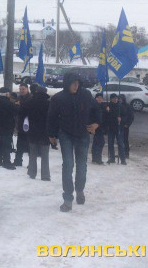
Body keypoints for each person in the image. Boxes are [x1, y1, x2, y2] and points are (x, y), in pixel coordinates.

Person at [47, 72, 99, 212]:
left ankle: (80, 190)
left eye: (78, 83)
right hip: (66, 134)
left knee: (82, 165)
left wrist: (96, 123)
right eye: (73, 83)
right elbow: (51, 117)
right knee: (68, 165)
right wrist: (51, 135)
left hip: (83, 134)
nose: (76, 86)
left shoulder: (86, 95)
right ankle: (68, 198)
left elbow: (96, 110)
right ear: (67, 83)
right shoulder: (58, 98)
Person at [20, 84, 51, 180]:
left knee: (32, 153)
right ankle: (45, 175)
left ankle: (32, 173)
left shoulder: (30, 102)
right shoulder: (49, 104)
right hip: (45, 132)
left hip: (32, 132)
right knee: (45, 155)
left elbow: (22, 114)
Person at [0, 87, 17, 170]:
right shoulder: (9, 104)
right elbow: (16, 112)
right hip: (7, 127)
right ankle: (6, 162)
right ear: (7, 94)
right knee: (7, 145)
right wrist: (17, 105)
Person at [104, 94, 125, 165]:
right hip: (111, 128)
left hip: (119, 128)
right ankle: (112, 158)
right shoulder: (108, 106)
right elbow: (105, 117)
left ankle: (123, 159)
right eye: (114, 98)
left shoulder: (120, 106)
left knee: (120, 144)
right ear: (111, 99)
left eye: (116, 98)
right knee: (110, 143)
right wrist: (107, 111)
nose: (115, 99)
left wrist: (121, 119)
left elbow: (125, 116)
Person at [14, 82, 31, 166]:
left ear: (27, 89)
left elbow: (29, 110)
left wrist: (21, 105)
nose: (21, 91)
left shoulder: (31, 98)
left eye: (23, 89)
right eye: (20, 89)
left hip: (29, 125)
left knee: (30, 145)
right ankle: (18, 161)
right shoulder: (18, 98)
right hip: (21, 124)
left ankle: (31, 163)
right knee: (19, 144)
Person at [91, 93, 108, 165]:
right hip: (96, 126)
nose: (100, 99)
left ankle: (95, 158)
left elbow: (105, 117)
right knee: (100, 142)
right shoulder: (94, 106)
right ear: (95, 98)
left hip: (101, 127)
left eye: (101, 98)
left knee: (96, 142)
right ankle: (98, 159)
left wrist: (107, 110)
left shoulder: (103, 106)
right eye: (98, 97)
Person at [119, 94, 134, 159]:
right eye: (119, 99)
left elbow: (131, 117)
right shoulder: (117, 105)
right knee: (119, 140)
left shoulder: (128, 106)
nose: (120, 100)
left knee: (125, 140)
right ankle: (121, 153)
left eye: (121, 99)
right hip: (118, 125)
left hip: (125, 126)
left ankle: (126, 153)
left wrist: (127, 124)